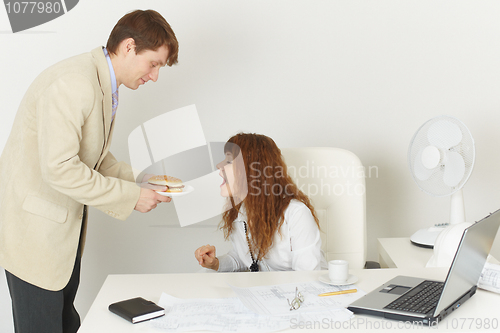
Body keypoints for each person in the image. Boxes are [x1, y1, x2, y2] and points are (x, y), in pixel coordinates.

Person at [0, 10, 179, 333]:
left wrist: (140, 179)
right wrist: (131, 197)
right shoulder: (75, 84)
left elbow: (92, 156)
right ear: (128, 47)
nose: (154, 76)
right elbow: (61, 169)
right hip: (36, 243)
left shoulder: (102, 83)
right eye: (153, 64)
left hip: (60, 243)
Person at [194, 133, 325, 272]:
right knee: (202, 273)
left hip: (300, 291)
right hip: (264, 290)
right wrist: (214, 264)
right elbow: (245, 257)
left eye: (229, 161)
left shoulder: (296, 214)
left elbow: (307, 277)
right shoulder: (241, 212)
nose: (219, 165)